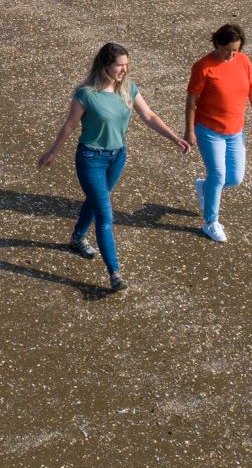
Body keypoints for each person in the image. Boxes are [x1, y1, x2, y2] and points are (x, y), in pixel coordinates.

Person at [36, 42, 185, 294]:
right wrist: (52, 152)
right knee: (105, 215)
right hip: (90, 159)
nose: (124, 70)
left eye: (127, 65)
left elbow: (149, 116)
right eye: (119, 65)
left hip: (117, 157)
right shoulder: (86, 94)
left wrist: (174, 138)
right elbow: (70, 125)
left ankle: (76, 238)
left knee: (96, 202)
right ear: (105, 65)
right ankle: (114, 273)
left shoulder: (128, 89)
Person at [184, 23, 252, 243]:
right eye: (228, 49)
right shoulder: (203, 67)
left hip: (235, 131)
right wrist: (189, 130)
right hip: (209, 131)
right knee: (218, 176)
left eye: (236, 50)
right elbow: (192, 101)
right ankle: (211, 222)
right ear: (217, 44)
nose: (231, 54)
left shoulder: (244, 61)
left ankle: (204, 186)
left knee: (235, 178)